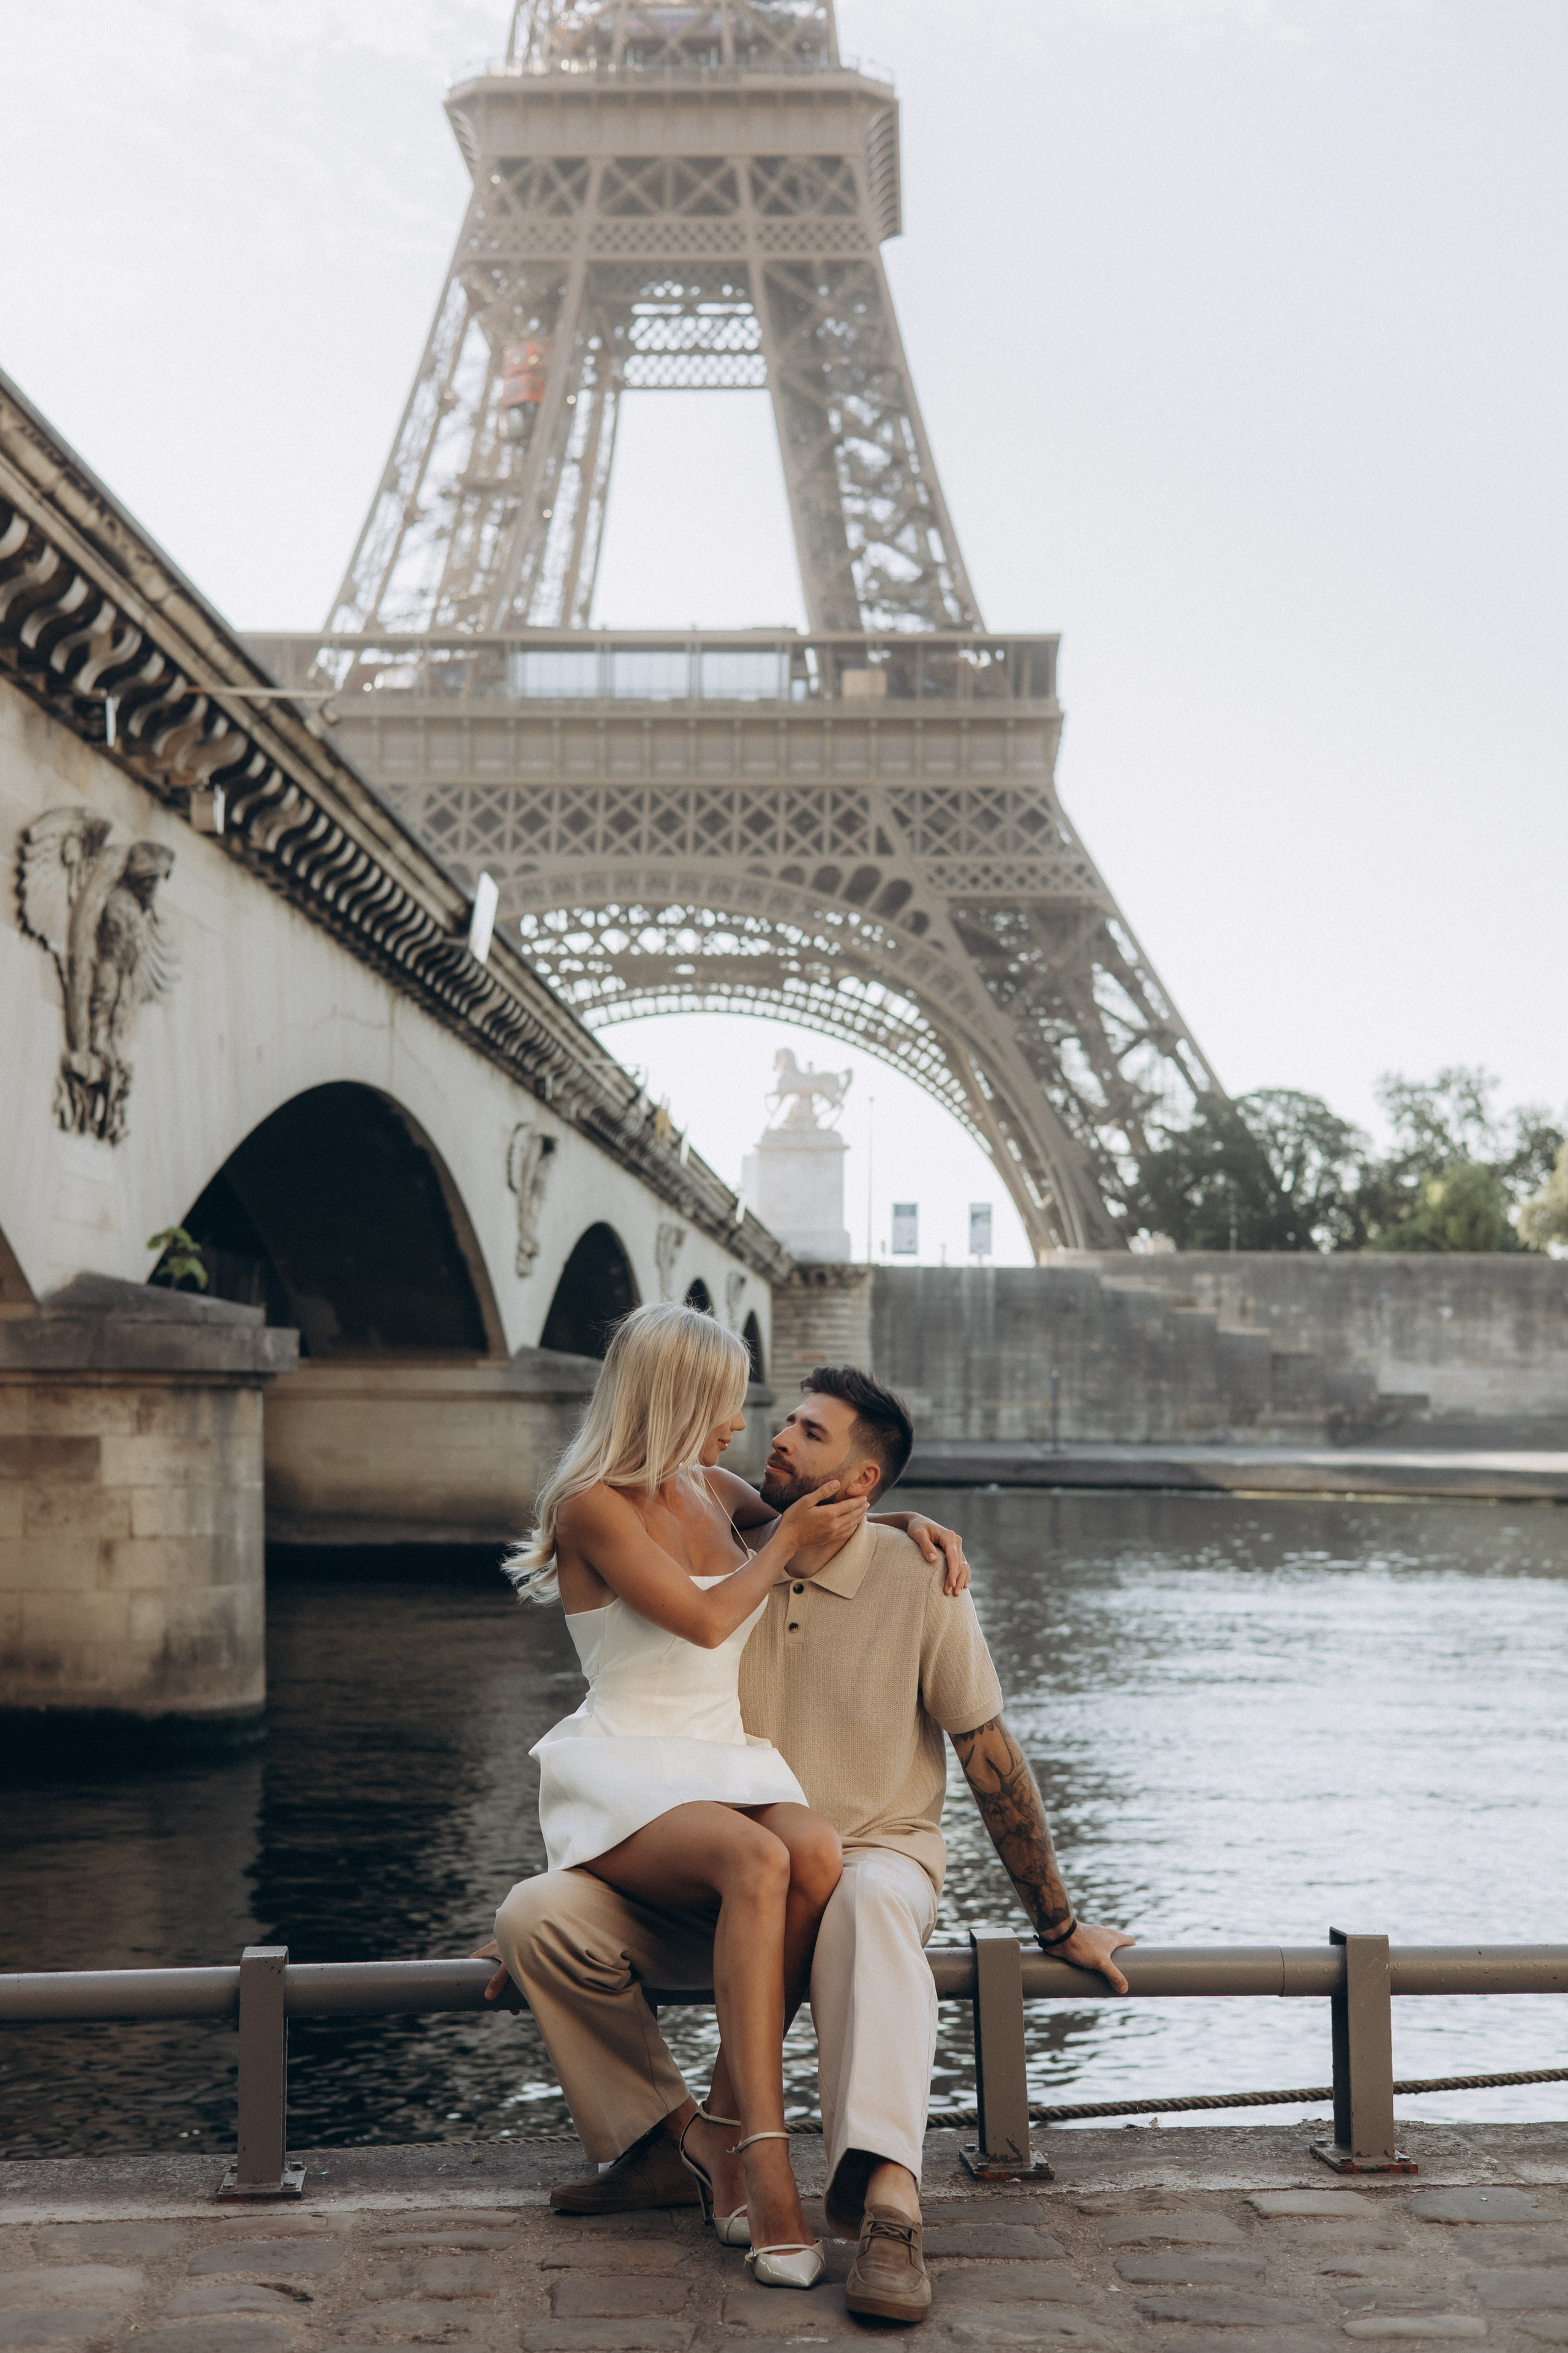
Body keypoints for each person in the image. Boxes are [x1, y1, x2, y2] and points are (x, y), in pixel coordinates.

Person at [483, 1358, 1134, 2327]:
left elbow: (988, 1752)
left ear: (862, 1479)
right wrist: (578, 1862)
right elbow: (642, 1708)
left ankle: (889, 2206)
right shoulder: (736, 1539)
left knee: (862, 1896)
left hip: (866, 1854)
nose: (776, 1436)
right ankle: (671, 2143)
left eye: (809, 1432)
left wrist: (1059, 1920)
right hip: (724, 1858)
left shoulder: (921, 1575)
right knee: (535, 1916)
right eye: (783, 1420)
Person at [480, 1306, 972, 2291]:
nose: (743, 1426)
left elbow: (820, 1517)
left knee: (816, 1849)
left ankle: (709, 2132)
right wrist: (784, 1541)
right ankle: (765, 2165)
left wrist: (901, 1522)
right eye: (726, 1402)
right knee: (758, 1858)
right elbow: (707, 1620)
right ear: (673, 1397)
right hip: (627, 1762)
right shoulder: (591, 1505)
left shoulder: (713, 1488)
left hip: (719, 1759)